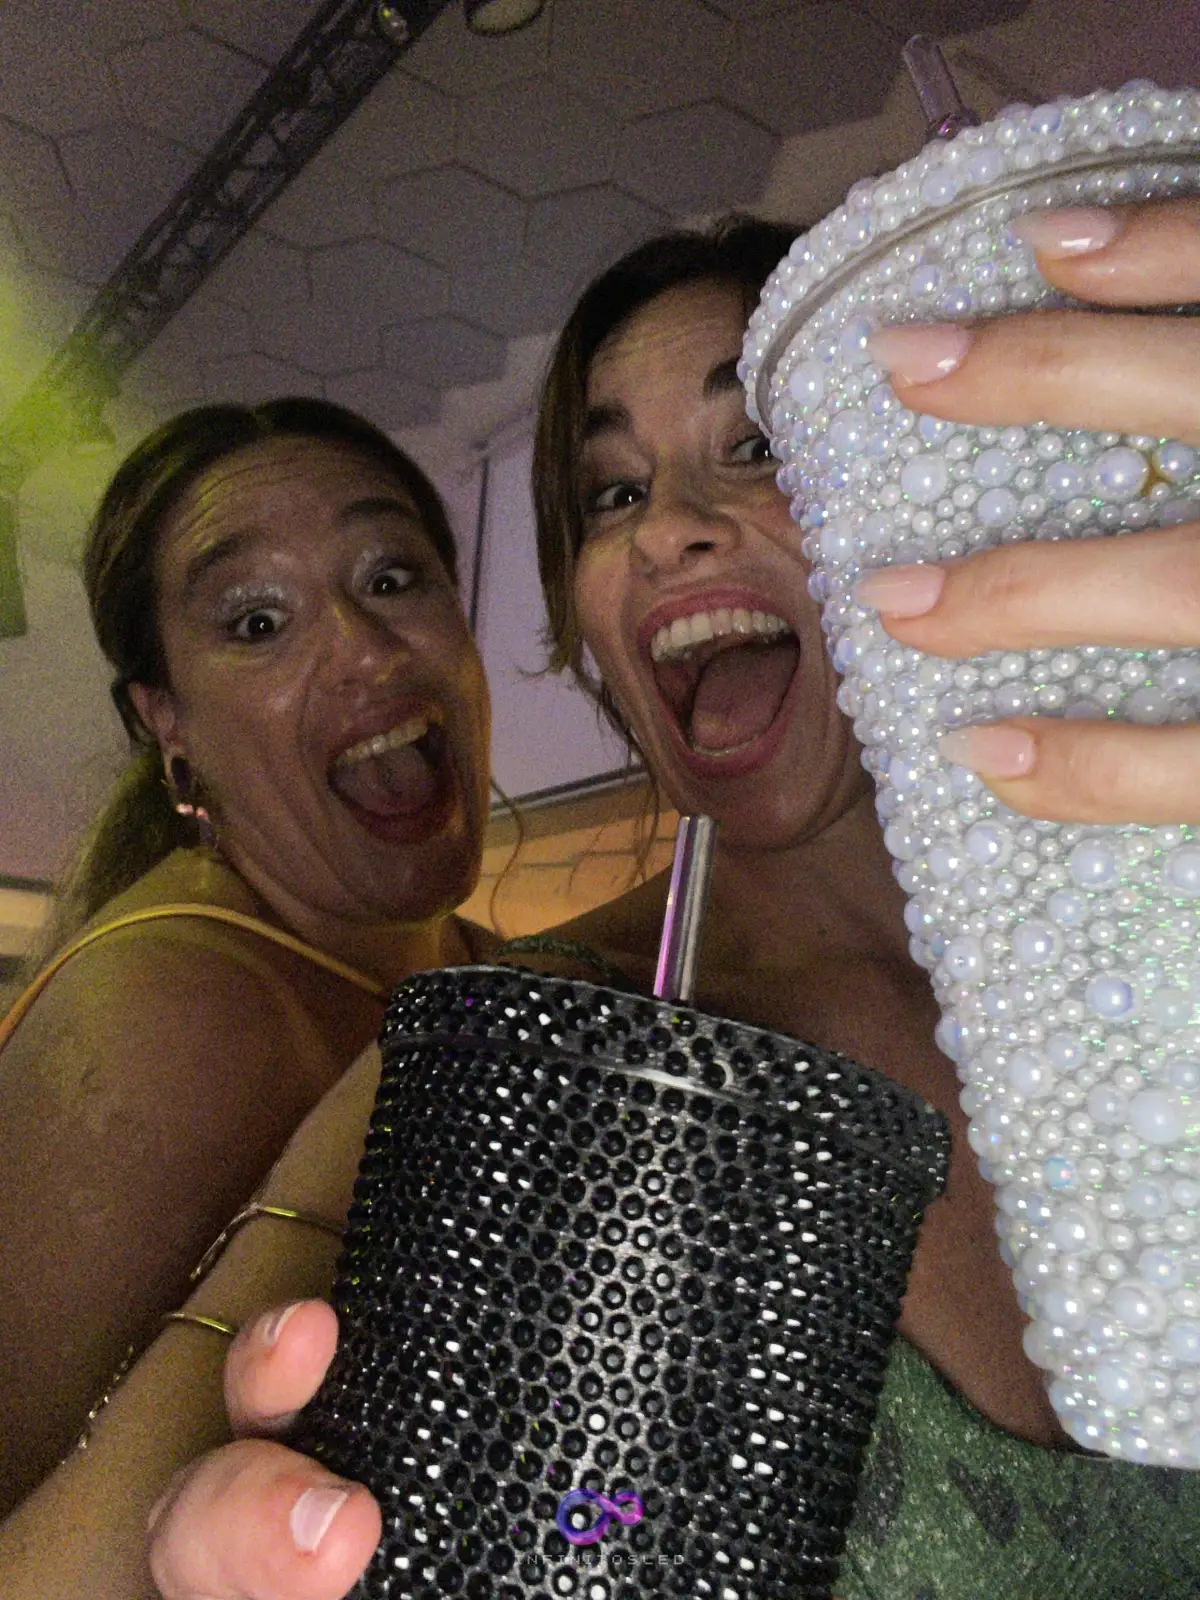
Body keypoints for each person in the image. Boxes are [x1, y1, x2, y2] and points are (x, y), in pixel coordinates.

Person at [6, 197, 1200, 1596]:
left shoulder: (1144, 935)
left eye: (755, 446)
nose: (672, 527)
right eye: (613, 494)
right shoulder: (535, 1043)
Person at [0, 398, 494, 1514]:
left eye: (392, 577)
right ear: (167, 721)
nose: (364, 648)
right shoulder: (168, 1012)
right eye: (259, 622)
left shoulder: (486, 969)